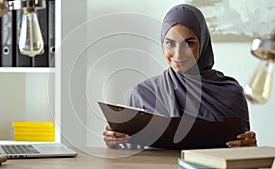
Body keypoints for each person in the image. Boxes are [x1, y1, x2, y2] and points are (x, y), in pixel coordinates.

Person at [103, 4, 257, 149]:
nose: (178, 54)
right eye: (170, 43)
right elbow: (132, 154)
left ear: (203, 43)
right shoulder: (143, 94)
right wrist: (116, 143)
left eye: (189, 43)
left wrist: (249, 147)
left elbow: (241, 153)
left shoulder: (231, 93)